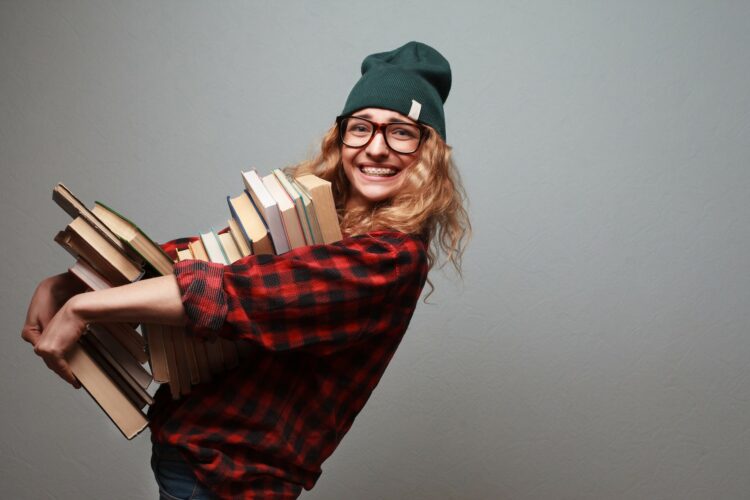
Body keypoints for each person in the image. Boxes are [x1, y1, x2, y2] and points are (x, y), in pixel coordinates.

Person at [22, 41, 470, 499]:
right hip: (190, 456)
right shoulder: (318, 219)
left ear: (428, 151)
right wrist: (71, 280)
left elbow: (236, 291)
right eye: (361, 128)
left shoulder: (392, 258)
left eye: (400, 132)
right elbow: (203, 258)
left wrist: (83, 308)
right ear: (341, 138)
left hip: (230, 480)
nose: (376, 148)